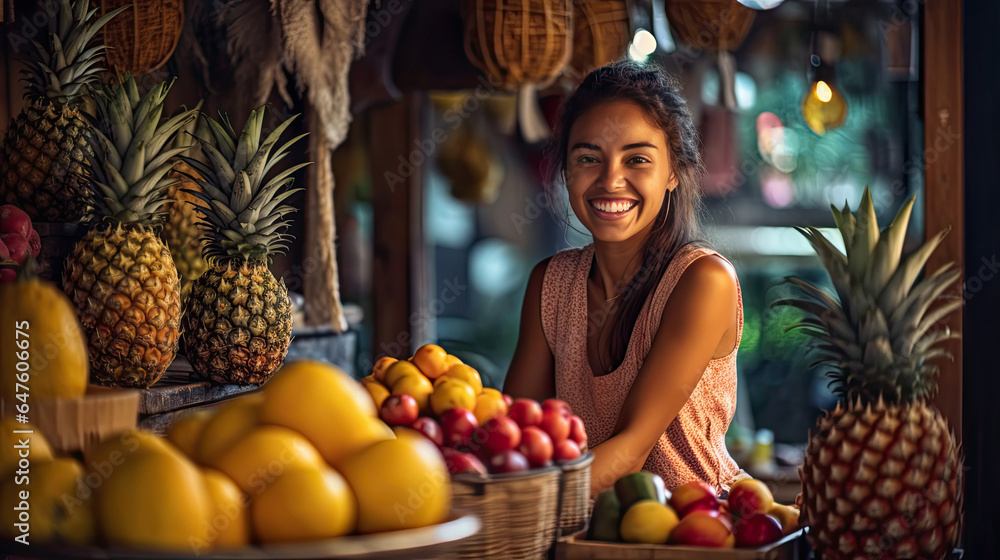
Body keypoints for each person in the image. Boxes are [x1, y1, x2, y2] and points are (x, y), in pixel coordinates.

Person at [503, 60, 746, 497]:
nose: (611, 180)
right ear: (566, 171)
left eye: (637, 159)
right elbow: (519, 434)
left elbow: (631, 451)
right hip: (584, 537)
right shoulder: (550, 284)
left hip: (698, 537)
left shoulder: (703, 280)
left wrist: (515, 500)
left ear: (673, 171)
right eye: (588, 158)